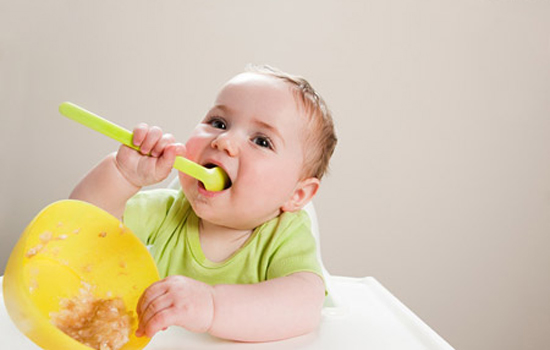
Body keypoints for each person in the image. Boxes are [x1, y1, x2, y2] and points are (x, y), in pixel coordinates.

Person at [70, 65, 337, 342]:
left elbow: (304, 305)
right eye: (219, 123)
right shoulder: (169, 211)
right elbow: (81, 229)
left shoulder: (285, 236)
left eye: (261, 141)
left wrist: (211, 306)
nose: (225, 141)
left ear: (298, 195)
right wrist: (122, 175)